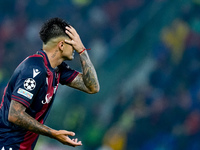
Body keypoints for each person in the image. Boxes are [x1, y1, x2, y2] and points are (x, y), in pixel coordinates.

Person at [0, 17, 100, 150]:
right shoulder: (34, 69)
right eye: (73, 43)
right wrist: (54, 134)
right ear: (61, 45)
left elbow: (93, 87)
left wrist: (82, 50)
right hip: (7, 144)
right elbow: (14, 114)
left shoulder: (58, 69)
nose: (75, 47)